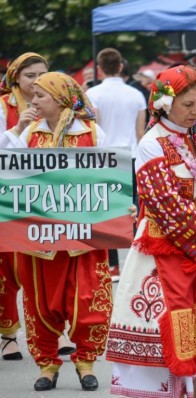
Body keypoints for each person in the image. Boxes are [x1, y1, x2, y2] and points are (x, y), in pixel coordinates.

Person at [105, 65, 196, 398]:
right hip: (165, 247)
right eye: (188, 105)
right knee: (169, 323)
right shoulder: (151, 144)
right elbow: (165, 206)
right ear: (165, 104)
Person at [1, 71, 111, 391]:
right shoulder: (30, 133)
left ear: (60, 99)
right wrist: (19, 127)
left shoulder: (92, 132)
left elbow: (109, 181)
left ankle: (85, 362)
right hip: (39, 238)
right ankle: (47, 365)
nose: (33, 101)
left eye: (40, 96)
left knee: (87, 301)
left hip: (82, 237)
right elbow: (8, 174)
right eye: (32, 95)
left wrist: (120, 206)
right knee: (40, 301)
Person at [0, 52, 47, 362]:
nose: (37, 81)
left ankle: (51, 332)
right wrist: (19, 129)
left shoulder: (57, 103)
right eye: (31, 76)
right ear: (16, 78)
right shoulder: (4, 107)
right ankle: (8, 335)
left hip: (45, 197)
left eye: (42, 74)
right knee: (7, 268)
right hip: (7, 198)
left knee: (44, 267)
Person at [86, 48, 147, 282]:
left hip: (106, 156)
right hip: (131, 154)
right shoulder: (136, 94)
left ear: (100, 68)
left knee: (107, 210)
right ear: (121, 67)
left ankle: (113, 265)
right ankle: (138, 261)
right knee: (134, 209)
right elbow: (140, 132)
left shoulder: (94, 93)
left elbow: (96, 126)